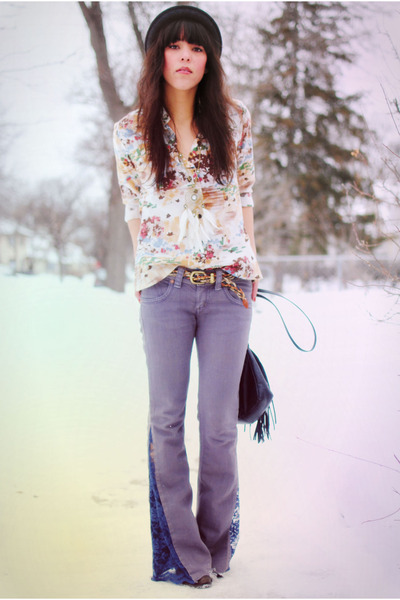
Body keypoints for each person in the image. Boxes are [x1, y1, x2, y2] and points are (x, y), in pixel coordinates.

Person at [113, 5, 262, 589]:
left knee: (218, 424)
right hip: (165, 290)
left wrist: (252, 267)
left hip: (229, 287)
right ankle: (184, 554)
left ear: (209, 59)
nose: (185, 57)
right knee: (166, 420)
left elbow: (245, 193)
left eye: (197, 48)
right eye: (174, 47)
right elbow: (132, 206)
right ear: (158, 56)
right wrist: (147, 272)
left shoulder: (234, 118)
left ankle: (216, 545)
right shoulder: (129, 131)